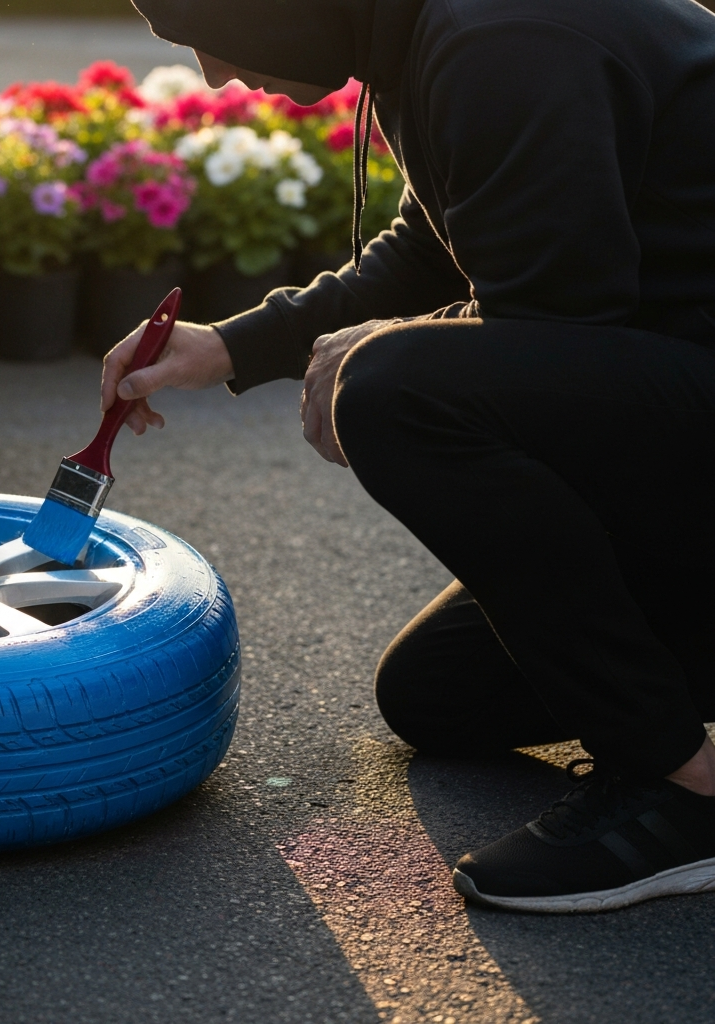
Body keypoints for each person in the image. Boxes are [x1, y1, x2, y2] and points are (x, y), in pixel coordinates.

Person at [103, 0, 715, 913]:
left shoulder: (501, 34)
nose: (216, 76)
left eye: (213, 36)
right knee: (437, 697)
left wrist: (375, 354)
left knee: (396, 388)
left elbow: (560, 316)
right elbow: (438, 245)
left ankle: (681, 791)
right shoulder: (425, 29)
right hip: (678, 397)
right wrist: (228, 347)